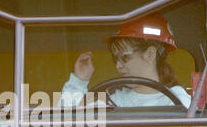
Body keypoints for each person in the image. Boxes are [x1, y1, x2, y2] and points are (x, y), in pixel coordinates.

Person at [60, 13, 191, 108]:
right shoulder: (114, 99)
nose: (118, 65)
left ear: (150, 54)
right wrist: (79, 80)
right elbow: (69, 120)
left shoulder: (177, 100)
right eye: (115, 58)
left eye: (125, 57)